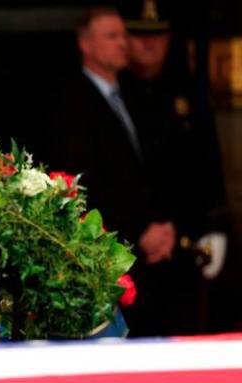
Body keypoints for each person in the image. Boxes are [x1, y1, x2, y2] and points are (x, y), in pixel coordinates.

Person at [46, 7, 184, 335]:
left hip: (155, 248)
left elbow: (158, 168)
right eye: (112, 36)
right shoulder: (73, 101)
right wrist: (139, 231)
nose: (123, 43)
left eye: (124, 35)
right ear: (86, 45)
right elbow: (85, 181)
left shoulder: (135, 95)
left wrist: (166, 224)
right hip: (116, 246)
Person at [120, 0, 230, 334]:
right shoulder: (114, 91)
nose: (149, 44)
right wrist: (139, 229)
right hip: (131, 248)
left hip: (185, 241)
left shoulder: (185, 86)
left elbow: (209, 159)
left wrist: (215, 224)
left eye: (157, 35)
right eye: (139, 36)